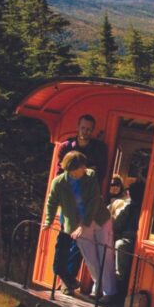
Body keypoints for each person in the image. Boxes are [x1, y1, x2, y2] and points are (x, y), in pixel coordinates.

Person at [43, 151, 118, 304]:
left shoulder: (90, 177)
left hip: (99, 220)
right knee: (90, 258)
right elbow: (52, 202)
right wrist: (48, 220)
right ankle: (98, 287)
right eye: (80, 168)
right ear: (71, 168)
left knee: (105, 254)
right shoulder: (59, 183)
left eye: (84, 167)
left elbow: (94, 201)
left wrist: (84, 225)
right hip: (77, 225)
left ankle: (109, 292)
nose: (84, 170)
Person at [53, 114, 109, 290]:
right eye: (83, 128)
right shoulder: (66, 147)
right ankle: (63, 275)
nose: (85, 132)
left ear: (92, 130)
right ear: (78, 127)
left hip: (86, 203)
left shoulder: (99, 149)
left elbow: (100, 175)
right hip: (69, 202)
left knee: (79, 241)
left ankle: (68, 281)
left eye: (89, 129)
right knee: (64, 238)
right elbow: (59, 173)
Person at [113, 181, 145, 299]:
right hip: (132, 239)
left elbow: (117, 224)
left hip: (131, 240)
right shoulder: (131, 207)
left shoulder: (132, 208)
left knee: (120, 245)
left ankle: (119, 285)